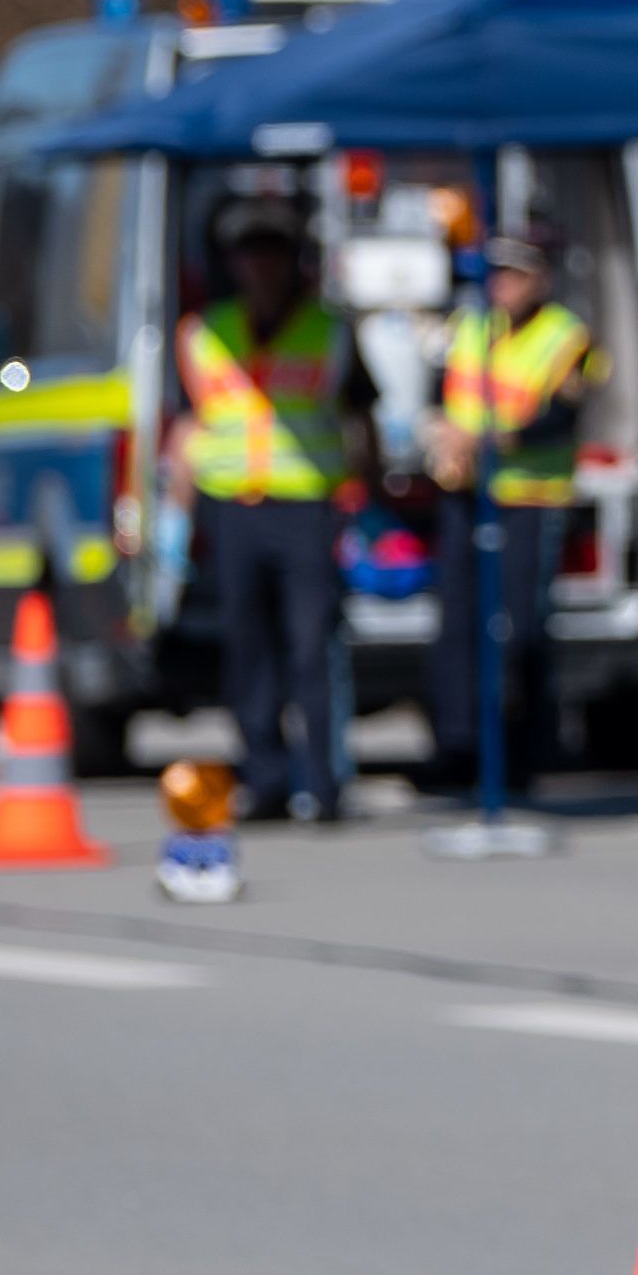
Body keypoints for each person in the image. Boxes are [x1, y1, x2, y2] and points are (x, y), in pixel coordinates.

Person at [166, 199, 373, 823]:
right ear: (234, 263)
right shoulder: (205, 332)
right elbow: (188, 426)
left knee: (312, 648)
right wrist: (176, 520)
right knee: (248, 648)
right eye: (250, 254)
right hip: (233, 508)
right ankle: (266, 777)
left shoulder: (328, 329)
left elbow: (359, 419)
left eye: (273, 252)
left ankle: (324, 781)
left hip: (307, 504)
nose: (262, 266)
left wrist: (359, 498)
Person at [429, 232, 603, 792]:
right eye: (496, 273)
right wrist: (443, 434)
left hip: (531, 496)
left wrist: (490, 438)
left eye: (515, 274)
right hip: (467, 492)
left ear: (541, 279)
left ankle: (525, 746)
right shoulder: (469, 327)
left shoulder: (566, 337)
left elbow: (561, 416)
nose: (502, 284)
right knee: (457, 625)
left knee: (521, 630)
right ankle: (458, 746)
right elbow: (443, 393)